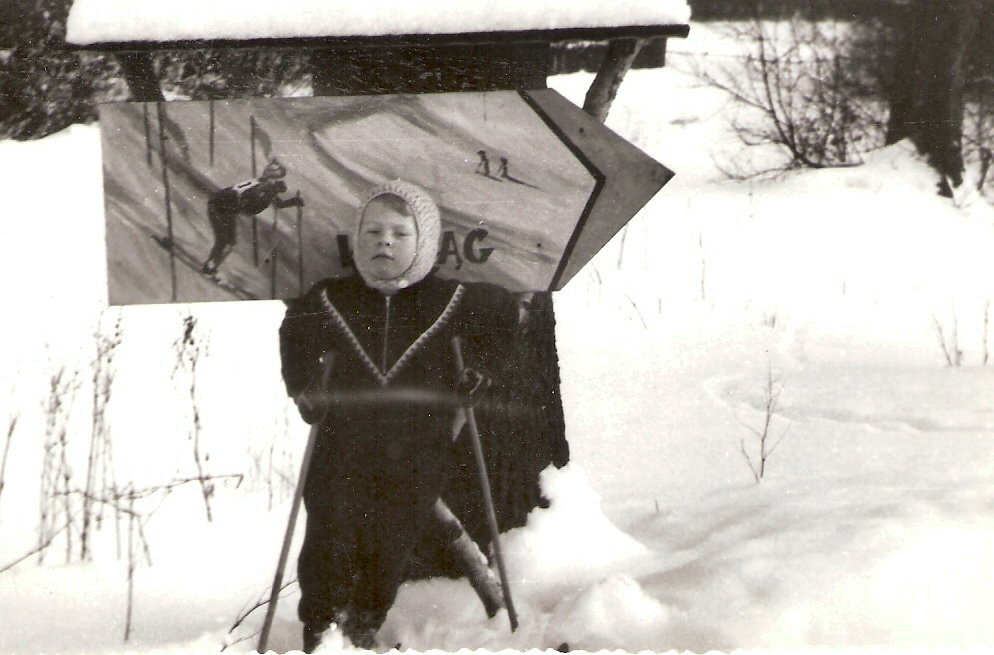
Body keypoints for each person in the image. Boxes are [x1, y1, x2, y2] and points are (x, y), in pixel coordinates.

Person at [278, 180, 520, 651]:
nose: (383, 243)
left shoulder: (449, 299)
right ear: (356, 239)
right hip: (342, 441)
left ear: (424, 242)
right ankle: (321, 624)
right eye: (371, 232)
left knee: (393, 535)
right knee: (329, 528)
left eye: (399, 234)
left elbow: (503, 317)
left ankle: (364, 620)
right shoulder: (333, 298)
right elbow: (296, 332)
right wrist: (304, 386)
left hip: (418, 445)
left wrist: (481, 370)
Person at [201, 158, 303, 275]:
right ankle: (209, 268)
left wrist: (293, 201)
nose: (276, 182)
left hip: (224, 208)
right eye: (276, 179)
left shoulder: (263, 186)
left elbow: (278, 203)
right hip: (220, 207)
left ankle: (211, 267)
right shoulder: (263, 188)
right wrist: (273, 193)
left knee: (229, 243)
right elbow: (252, 207)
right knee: (224, 241)